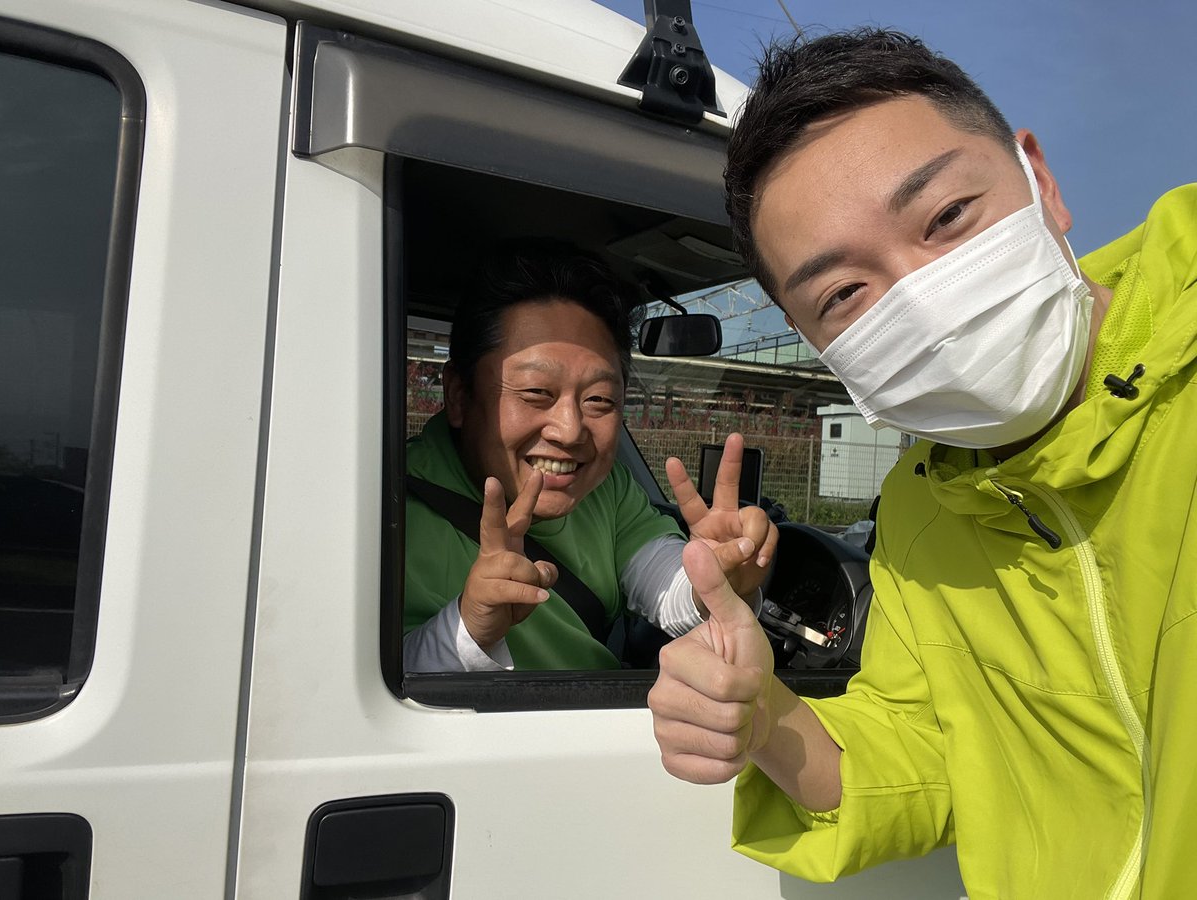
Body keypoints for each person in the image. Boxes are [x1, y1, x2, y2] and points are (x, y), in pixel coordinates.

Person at [647, 28, 1197, 899]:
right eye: (844, 294)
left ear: (1040, 181)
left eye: (946, 218)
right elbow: (933, 756)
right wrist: (765, 715)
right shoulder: (920, 508)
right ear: (815, 342)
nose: (924, 302)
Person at [402, 242, 778, 671]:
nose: (570, 431)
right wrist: (469, 628)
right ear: (458, 395)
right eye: (536, 392)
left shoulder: (606, 487)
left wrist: (714, 578)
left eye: (599, 399)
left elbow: (662, 578)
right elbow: (369, 681)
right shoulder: (386, 510)